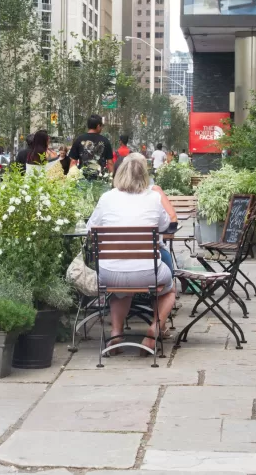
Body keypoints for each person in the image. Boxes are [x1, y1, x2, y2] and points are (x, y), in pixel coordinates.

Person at [87, 153, 179, 355]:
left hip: (109, 273)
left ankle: (116, 334)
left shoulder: (106, 198)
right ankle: (154, 330)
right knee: (170, 289)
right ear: (144, 176)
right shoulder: (154, 198)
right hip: (148, 272)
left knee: (120, 289)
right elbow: (165, 226)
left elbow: (90, 229)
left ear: (119, 174)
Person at [69, 114, 113, 179]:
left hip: (82, 180)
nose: (101, 128)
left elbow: (73, 162)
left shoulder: (79, 139)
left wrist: (71, 179)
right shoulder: (105, 141)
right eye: (101, 126)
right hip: (100, 180)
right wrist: (112, 178)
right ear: (98, 126)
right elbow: (110, 163)